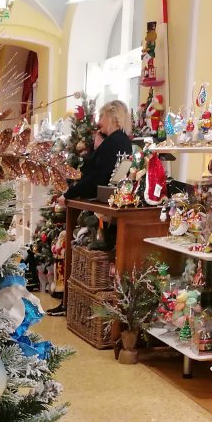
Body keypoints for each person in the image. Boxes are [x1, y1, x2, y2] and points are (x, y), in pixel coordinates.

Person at [48, 99, 134, 316]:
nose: (99, 121)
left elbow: (93, 176)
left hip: (97, 202)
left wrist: (68, 194)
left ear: (112, 117)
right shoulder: (124, 142)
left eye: (102, 116)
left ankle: (69, 303)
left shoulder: (112, 142)